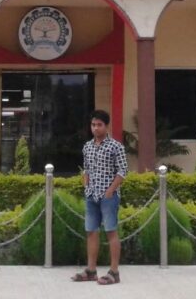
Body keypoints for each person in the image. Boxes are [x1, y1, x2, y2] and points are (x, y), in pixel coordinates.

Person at [72, 110, 127, 285]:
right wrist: (86, 184)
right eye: (93, 125)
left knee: (111, 231)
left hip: (108, 196)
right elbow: (86, 168)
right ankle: (91, 270)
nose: (96, 128)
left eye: (99, 125)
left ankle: (114, 272)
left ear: (106, 126)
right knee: (91, 232)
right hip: (91, 195)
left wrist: (110, 190)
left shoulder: (116, 146)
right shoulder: (87, 146)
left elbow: (123, 171)